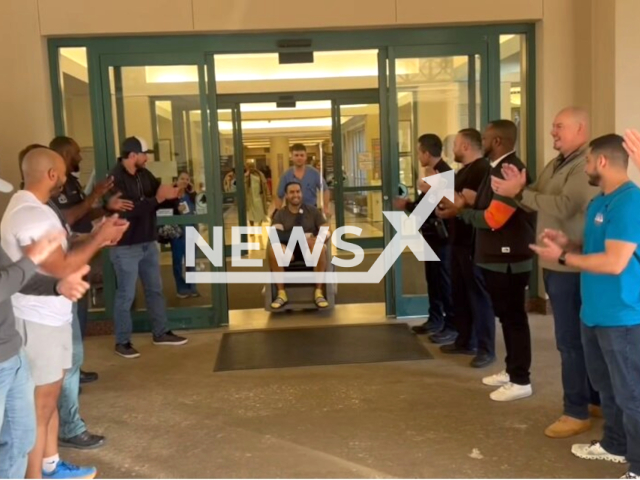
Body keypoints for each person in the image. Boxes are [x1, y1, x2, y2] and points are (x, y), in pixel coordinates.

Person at [1, 147, 128, 479]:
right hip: (36, 321)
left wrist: (96, 233)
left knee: (50, 399)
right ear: (52, 175)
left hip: (51, 317)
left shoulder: (41, 209)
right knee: (37, 411)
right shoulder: (28, 214)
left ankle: (51, 466)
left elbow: (64, 246)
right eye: (63, 172)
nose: (68, 178)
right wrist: (99, 239)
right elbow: (59, 267)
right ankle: (34, 475)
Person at [531, 133, 640, 478]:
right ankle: (614, 444)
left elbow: (614, 261)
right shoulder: (600, 200)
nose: (587, 166)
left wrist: (563, 256)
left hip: (622, 316)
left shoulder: (629, 202)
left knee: (630, 393)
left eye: (590, 160)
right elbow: (596, 245)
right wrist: (569, 241)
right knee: (606, 386)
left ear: (602, 162)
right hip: (593, 312)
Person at [491, 108, 601, 437]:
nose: (553, 132)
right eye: (553, 127)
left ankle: (576, 410)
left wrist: (522, 192)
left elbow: (565, 204)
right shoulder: (558, 162)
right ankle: (593, 400)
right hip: (556, 263)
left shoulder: (584, 164)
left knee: (572, 342)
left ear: (580, 128)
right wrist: (520, 191)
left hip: (573, 263)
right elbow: (532, 200)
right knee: (578, 340)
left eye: (559, 127)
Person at [0, 174, 92, 479]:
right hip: (9, 352)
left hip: (11, 350)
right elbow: (7, 282)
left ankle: (41, 470)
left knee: (22, 438)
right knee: (20, 433)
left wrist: (56, 288)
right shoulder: (26, 214)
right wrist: (33, 259)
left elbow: (18, 278)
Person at [437, 120, 536, 402]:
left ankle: (520, 379)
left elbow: (494, 218)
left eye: (486, 137)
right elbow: (485, 207)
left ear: (497, 142)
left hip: (508, 258)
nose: (482, 140)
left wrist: (461, 211)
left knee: (514, 318)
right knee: (506, 317)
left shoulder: (510, 170)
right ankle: (511, 369)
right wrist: (465, 205)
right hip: (494, 256)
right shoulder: (495, 169)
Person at [48, 136, 134, 450]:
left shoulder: (56, 194)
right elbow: (67, 225)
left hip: (69, 279)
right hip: (54, 292)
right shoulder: (36, 208)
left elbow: (77, 223)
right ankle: (70, 428)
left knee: (73, 352)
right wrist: (98, 234)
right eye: (72, 156)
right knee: (66, 360)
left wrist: (100, 214)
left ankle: (61, 434)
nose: (77, 161)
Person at [109, 136, 188, 359]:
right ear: (133, 155)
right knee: (126, 295)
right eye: (144, 154)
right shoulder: (114, 179)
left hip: (147, 242)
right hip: (125, 246)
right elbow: (127, 210)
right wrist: (157, 200)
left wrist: (173, 195)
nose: (147, 158)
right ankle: (122, 341)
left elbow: (159, 195)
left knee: (155, 290)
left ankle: (160, 332)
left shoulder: (144, 175)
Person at [440, 128, 496, 368]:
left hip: (473, 242)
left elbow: (472, 201)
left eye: (455, 145)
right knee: (459, 292)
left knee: (477, 295)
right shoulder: (463, 172)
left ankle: (485, 348)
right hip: (457, 240)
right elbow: (454, 199)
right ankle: (465, 339)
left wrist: (456, 203)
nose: (452, 150)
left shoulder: (482, 170)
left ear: (465, 146)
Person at [394, 134, 455, 344]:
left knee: (444, 281)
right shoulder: (432, 174)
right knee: (434, 280)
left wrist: (407, 206)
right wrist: (412, 203)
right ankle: (435, 319)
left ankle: (451, 325)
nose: (418, 156)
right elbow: (424, 205)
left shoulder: (443, 174)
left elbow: (437, 206)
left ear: (426, 153)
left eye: (419, 151)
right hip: (431, 237)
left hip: (443, 238)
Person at [268, 181, 330, 310]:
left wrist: (319, 239)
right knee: (274, 249)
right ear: (286, 195)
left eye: (298, 192)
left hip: (310, 250)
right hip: (290, 250)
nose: (295, 195)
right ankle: (281, 293)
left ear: (301, 193)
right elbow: (275, 235)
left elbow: (326, 230)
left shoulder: (312, 211)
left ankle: (318, 292)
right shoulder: (280, 214)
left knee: (318, 247)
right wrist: (301, 239)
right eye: (292, 192)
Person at [275, 144, 330, 217]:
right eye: (296, 155)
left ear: (306, 157)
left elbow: (325, 190)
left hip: (311, 212)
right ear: (292, 157)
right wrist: (278, 213)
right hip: (292, 213)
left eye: (301, 155)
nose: (299, 158)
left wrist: (325, 207)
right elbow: (279, 195)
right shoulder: (286, 175)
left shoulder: (314, 173)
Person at [169, 171, 199, 299]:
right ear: (177, 179)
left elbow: (198, 205)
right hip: (177, 233)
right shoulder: (171, 195)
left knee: (191, 261)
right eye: (182, 178)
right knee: (177, 261)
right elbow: (164, 210)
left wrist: (193, 190)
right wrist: (176, 209)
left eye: (187, 179)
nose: (185, 181)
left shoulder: (191, 195)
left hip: (190, 230)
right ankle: (181, 288)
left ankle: (192, 287)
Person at [244, 159, 270, 243]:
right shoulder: (246, 175)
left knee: (260, 214)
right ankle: (252, 229)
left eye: (252, 166)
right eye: (249, 166)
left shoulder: (260, 174)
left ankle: (259, 227)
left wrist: (267, 197)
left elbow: (264, 186)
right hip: (250, 198)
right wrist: (246, 176)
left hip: (258, 197)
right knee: (251, 215)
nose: (251, 167)